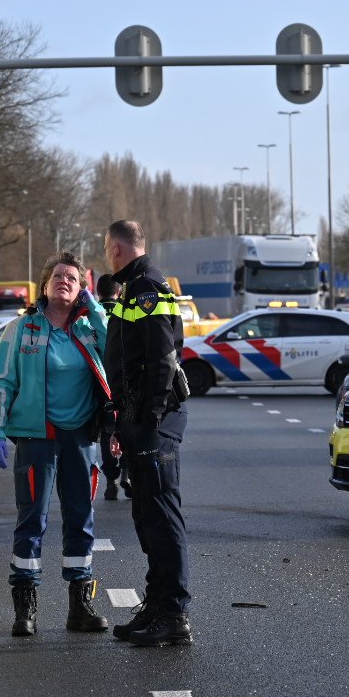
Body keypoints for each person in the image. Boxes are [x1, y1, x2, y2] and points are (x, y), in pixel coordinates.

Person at [0, 251, 112, 637]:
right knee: (32, 521)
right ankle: (25, 610)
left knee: (80, 521)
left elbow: (113, 354)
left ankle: (80, 606)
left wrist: (96, 312)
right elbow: (1, 382)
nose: (64, 281)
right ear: (44, 285)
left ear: (81, 291)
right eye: (57, 276)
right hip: (36, 440)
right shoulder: (21, 329)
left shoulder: (89, 329)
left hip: (79, 439)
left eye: (73, 279)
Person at [102, 219, 192, 648]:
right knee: (146, 517)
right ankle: (157, 606)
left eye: (106, 249)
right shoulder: (134, 286)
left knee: (161, 516)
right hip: (140, 420)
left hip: (154, 422)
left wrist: (149, 418)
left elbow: (162, 357)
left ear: (116, 248)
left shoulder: (147, 287)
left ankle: (173, 614)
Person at [95, 273, 129, 501]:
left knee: (107, 431)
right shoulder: (126, 311)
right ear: (118, 291)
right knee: (125, 427)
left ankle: (111, 481)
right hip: (123, 382)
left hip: (99, 383)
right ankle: (127, 472)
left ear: (98, 292)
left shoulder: (90, 313)